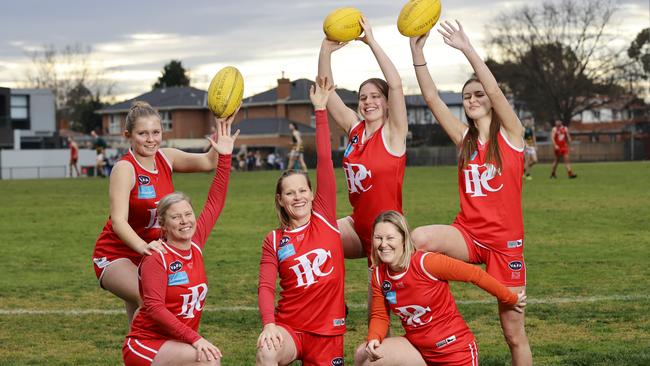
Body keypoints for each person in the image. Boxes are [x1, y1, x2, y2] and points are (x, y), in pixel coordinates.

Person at [409, 21, 532, 365]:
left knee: (513, 334)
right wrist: (417, 53)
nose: (473, 99)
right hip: (468, 234)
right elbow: (432, 99)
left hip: (504, 244)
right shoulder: (464, 140)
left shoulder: (511, 134)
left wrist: (466, 48)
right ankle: (435, 322)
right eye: (467, 96)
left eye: (478, 95)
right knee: (416, 240)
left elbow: (494, 91)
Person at [92, 101, 229, 324]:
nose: (151, 139)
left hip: (153, 254)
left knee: (138, 319)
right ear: (128, 135)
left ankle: (141, 355)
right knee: (149, 300)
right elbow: (118, 221)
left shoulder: (167, 157)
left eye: (156, 132)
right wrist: (142, 247)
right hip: (117, 254)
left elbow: (207, 161)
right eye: (142, 133)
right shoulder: (125, 169)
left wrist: (220, 131)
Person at [123, 115, 238, 366]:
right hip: (146, 344)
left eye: (188, 214)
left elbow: (215, 201)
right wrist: (195, 339)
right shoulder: (157, 257)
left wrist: (225, 156)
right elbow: (154, 308)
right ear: (163, 225)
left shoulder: (195, 244)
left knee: (205, 359)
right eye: (176, 217)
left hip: (175, 342)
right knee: (208, 360)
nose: (185, 221)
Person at [354, 211, 527, 366]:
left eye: (390, 238)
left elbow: (474, 274)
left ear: (404, 239)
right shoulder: (378, 275)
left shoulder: (426, 263)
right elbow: (379, 315)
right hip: (418, 350)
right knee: (364, 355)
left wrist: (509, 298)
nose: (383, 244)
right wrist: (374, 338)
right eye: (378, 238)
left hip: (454, 351)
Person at [256, 77, 345, 366]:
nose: (298, 198)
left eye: (303, 191)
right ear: (280, 199)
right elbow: (266, 287)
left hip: (327, 333)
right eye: (290, 193)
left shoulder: (325, 218)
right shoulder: (274, 239)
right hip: (290, 329)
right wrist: (269, 324)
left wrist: (320, 110)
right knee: (267, 351)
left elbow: (324, 160)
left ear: (312, 193)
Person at [318, 16, 408, 264]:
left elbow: (396, 85)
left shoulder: (393, 134)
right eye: (363, 97)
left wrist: (371, 42)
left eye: (375, 96)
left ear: (387, 102)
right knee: (318, 238)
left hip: (387, 233)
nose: (368, 102)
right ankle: (334, 304)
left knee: (380, 301)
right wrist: (325, 50)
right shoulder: (355, 130)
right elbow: (326, 91)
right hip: (358, 226)